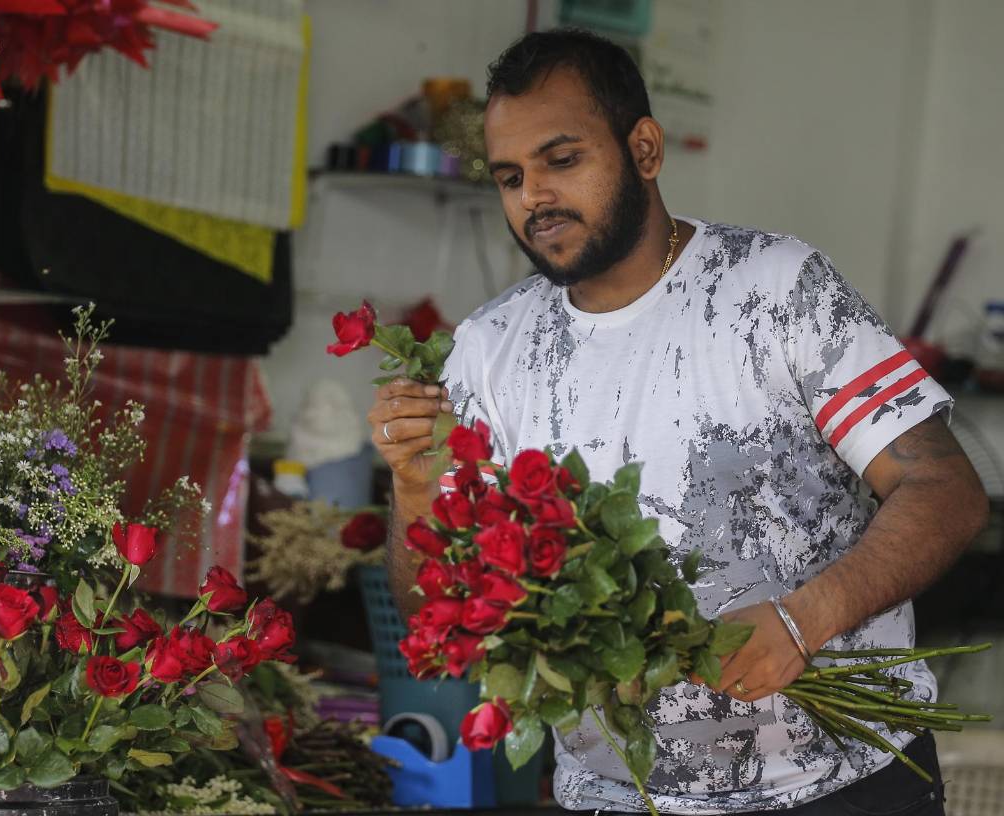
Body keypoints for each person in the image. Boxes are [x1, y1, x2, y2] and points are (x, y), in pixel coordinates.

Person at [367, 28, 988, 816]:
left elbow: (947, 488)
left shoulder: (776, 290)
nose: (535, 198)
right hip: (614, 798)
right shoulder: (490, 350)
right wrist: (416, 491)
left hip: (847, 782)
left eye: (563, 160)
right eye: (510, 177)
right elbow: (435, 616)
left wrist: (806, 621)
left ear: (645, 149)